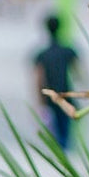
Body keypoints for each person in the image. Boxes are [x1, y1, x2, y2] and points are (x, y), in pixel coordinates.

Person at [33, 14, 79, 152]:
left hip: (50, 97)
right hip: (66, 95)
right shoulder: (68, 51)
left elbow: (39, 79)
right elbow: (78, 74)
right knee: (65, 131)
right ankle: (64, 153)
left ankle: (59, 154)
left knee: (53, 131)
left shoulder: (42, 54)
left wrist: (40, 101)